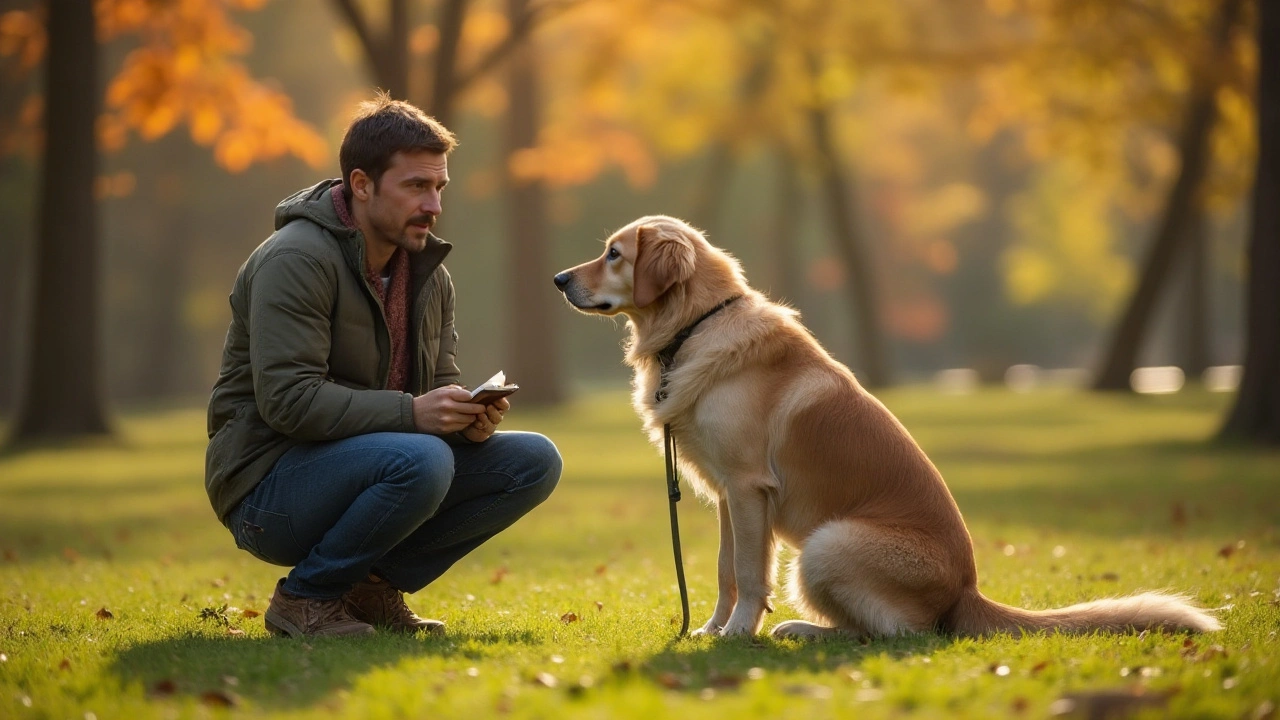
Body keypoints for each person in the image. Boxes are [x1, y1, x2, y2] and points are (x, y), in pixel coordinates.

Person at [204, 93, 562, 638]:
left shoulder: (429, 275)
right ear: (361, 184)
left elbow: (435, 387)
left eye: (439, 187)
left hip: (376, 463)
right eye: (416, 186)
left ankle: (368, 587)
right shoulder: (296, 260)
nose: (434, 205)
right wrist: (416, 416)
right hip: (267, 489)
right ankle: (306, 597)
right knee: (419, 459)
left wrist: (467, 417)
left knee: (533, 460)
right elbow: (288, 401)